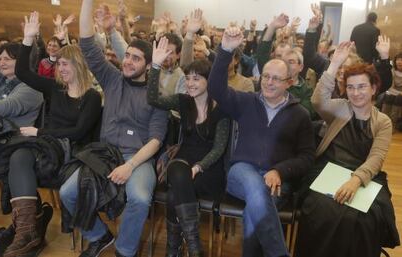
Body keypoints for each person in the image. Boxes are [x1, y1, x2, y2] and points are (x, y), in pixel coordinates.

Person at [59, 1, 168, 257]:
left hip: (138, 158)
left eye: (136, 58)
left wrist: (129, 166)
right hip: (105, 154)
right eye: (127, 55)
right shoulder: (112, 78)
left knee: (140, 199)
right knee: (67, 193)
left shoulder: (158, 97)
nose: (128, 62)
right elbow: (86, 41)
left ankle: (125, 251)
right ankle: (99, 235)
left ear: (149, 65)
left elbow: (155, 141)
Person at [0, 11, 102, 257]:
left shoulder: (92, 97)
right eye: (59, 64)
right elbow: (23, 72)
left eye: (65, 64)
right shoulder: (56, 88)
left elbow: (78, 132)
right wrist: (28, 39)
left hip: (71, 151)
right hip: (46, 145)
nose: (60, 69)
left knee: (21, 152)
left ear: (78, 65)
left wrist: (40, 131)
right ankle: (27, 231)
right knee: (17, 155)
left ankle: (28, 229)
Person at [208, 26, 315, 257]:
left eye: (276, 79)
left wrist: (279, 170)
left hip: (278, 182)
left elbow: (307, 158)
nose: (268, 82)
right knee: (257, 189)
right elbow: (215, 88)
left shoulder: (300, 115)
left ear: (289, 82)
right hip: (241, 173)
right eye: (265, 76)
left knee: (254, 211)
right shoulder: (246, 102)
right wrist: (225, 50)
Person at [296, 41, 400, 257]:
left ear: (373, 88)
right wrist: (333, 65)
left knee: (366, 217)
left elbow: (376, 158)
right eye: (351, 87)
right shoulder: (340, 108)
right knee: (323, 210)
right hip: (327, 169)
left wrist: (355, 180)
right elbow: (317, 101)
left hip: (364, 174)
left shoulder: (382, 121)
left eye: (362, 87)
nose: (356, 93)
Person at [147, 37, 229, 257]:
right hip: (183, 162)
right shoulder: (184, 101)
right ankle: (194, 249)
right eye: (188, 78)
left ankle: (173, 251)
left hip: (209, 169)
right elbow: (153, 99)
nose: (191, 83)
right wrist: (155, 66)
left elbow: (219, 148)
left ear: (209, 81)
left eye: (197, 79)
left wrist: (199, 167)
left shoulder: (221, 110)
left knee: (176, 192)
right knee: (177, 171)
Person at [0, 42, 43, 168]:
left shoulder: (31, 87)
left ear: (22, 61)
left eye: (7, 59)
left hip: (10, 143)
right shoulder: (3, 82)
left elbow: (9, 106)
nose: (2, 63)